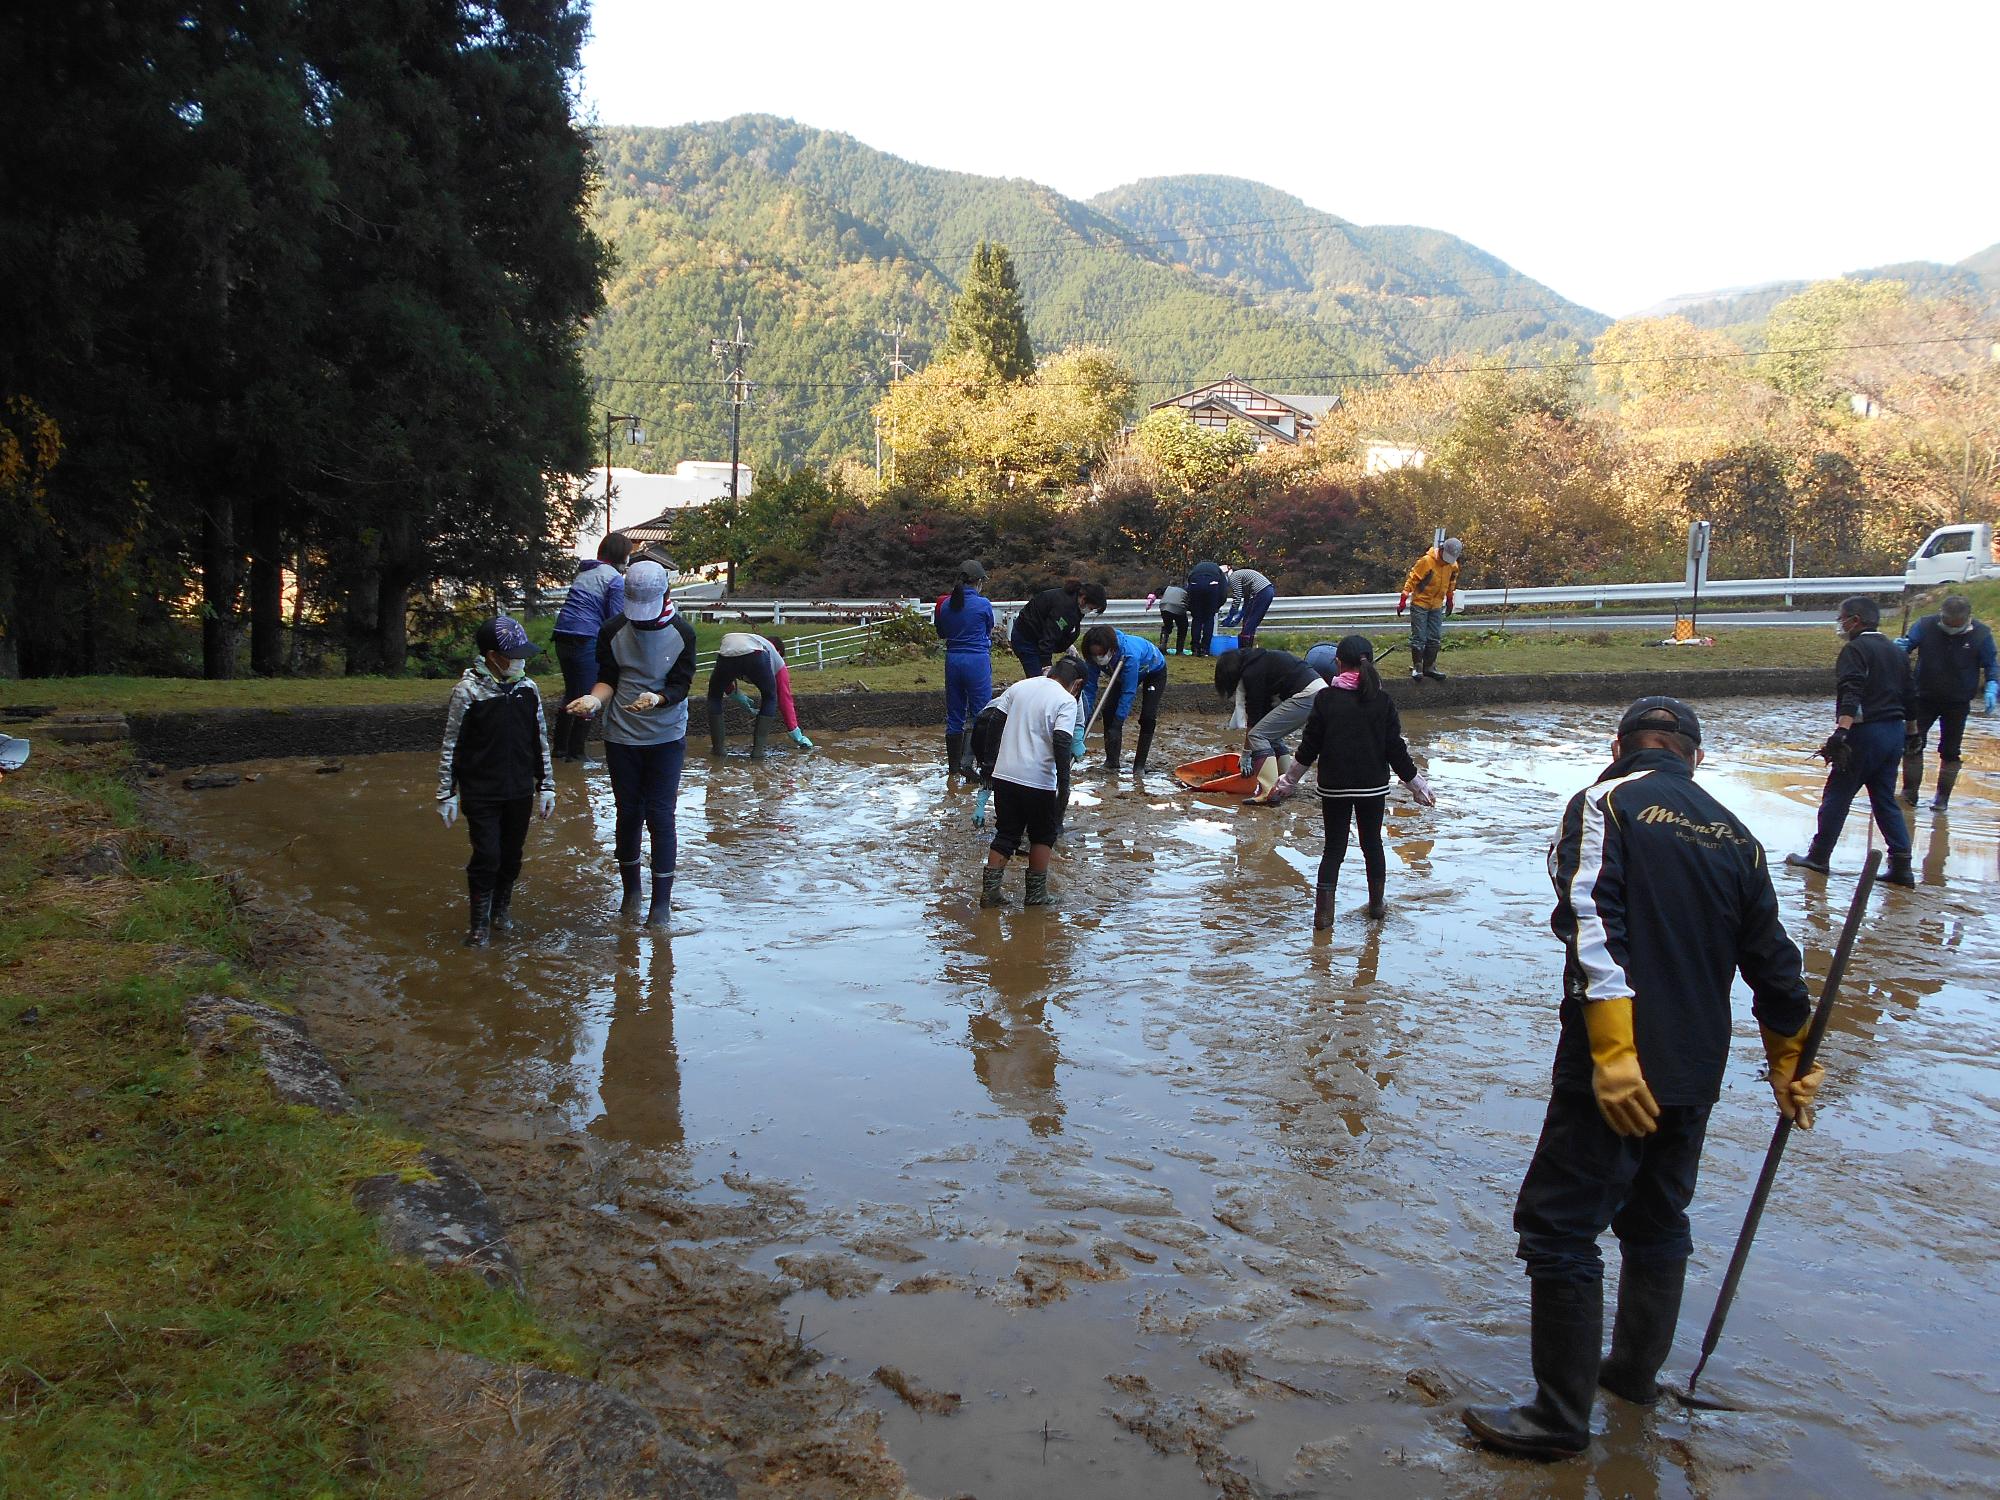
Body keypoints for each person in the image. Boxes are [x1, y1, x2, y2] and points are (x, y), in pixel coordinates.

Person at [1463, 696, 1820, 1460]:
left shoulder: (1605, 802)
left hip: (1617, 1064)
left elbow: (1592, 920)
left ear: (1619, 745)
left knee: (1559, 1229)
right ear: (1697, 756)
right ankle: (1629, 1376)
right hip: (1697, 1067)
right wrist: (1792, 1061)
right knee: (1658, 1222)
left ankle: (1558, 1419)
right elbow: (1776, 966)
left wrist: (1613, 1048)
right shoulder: (1738, 836)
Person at [564, 560, 698, 927]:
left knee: (660, 814)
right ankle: (630, 893)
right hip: (622, 734)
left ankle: (661, 904)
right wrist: (595, 699)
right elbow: (608, 677)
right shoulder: (612, 629)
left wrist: (659, 698)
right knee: (628, 812)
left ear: (666, 595)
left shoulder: (683, 633)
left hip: (666, 734)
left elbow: (681, 684)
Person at [1272, 636, 1434, 928]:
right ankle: (1376, 907)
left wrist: (1287, 782)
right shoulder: (1382, 700)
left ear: (1337, 664)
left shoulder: (1325, 700)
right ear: (1368, 662)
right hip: (1372, 786)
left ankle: (1323, 918)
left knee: (1333, 850)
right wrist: (1417, 786)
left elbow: (1309, 748)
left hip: (1334, 786)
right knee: (1372, 844)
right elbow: (1395, 750)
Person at [435, 616, 557, 947]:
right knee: (487, 855)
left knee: (511, 855)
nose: (520, 660)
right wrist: (446, 793)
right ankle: (478, 926)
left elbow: (540, 740)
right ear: (492, 656)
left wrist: (546, 786)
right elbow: (452, 744)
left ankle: (501, 911)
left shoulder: (527, 690)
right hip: (481, 791)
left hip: (519, 790)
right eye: (513, 654)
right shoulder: (467, 692)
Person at [1785, 595, 1916, 886]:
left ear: (1855, 620)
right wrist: (1913, 733)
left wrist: (1841, 731)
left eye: (1841, 618)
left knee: (1837, 795)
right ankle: (1902, 865)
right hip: (1894, 732)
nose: (1839, 624)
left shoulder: (1855, 650)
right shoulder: (1897, 652)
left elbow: (1851, 691)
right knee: (1884, 800)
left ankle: (1819, 857)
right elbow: (1911, 695)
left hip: (1865, 732)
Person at [977, 657, 1086, 909]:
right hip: (1038, 780)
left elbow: (995, 723)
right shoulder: (1066, 700)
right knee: (1042, 835)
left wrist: (989, 766)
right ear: (1077, 684)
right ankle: (1036, 894)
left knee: (1006, 833)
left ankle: (990, 893)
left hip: (1004, 775)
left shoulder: (1020, 686)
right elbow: (1061, 740)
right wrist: (1064, 782)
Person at [1898, 592, 1997, 812]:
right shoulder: (1925, 626)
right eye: (1947, 622)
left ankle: (1942, 798)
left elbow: (1991, 664)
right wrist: (1900, 648)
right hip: (1922, 696)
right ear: (1941, 615)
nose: (1951, 627)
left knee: (1951, 750)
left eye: (1956, 624)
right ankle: (1909, 793)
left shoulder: (1981, 634)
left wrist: (1992, 685)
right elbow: (1908, 644)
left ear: (1967, 618)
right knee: (1912, 743)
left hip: (1958, 701)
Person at [549, 533, 630, 762]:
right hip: (585, 638)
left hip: (562, 636)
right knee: (589, 695)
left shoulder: (585, 572)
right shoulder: (614, 579)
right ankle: (577, 753)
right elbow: (614, 620)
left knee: (571, 692)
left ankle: (560, 750)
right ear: (620, 555)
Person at [1213, 645, 1322, 798]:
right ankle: (1283, 781)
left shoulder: (1252, 673)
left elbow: (1254, 716)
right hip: (1318, 690)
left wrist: (1246, 753)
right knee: (1271, 734)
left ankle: (1268, 791)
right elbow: (1264, 713)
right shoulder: (1259, 661)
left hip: (1306, 695)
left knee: (1258, 736)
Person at [1077, 624, 1169, 775]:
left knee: (1147, 717)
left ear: (1111, 649)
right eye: (1094, 655)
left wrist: (1118, 721)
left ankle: (1139, 766)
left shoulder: (1129, 656)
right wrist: (1082, 721)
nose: (1098, 658)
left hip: (1153, 671)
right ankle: (1112, 762)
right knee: (1108, 712)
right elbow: (1089, 689)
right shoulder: (1093, 659)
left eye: (1101, 654)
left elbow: (1129, 691)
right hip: (1119, 674)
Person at [707, 631, 810, 762]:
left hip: (727, 648)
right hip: (754, 656)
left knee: (714, 697)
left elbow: (722, 681)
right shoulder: (777, 661)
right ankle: (758, 752)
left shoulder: (753, 642)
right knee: (769, 697)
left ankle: (718, 750)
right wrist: (796, 734)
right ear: (779, 652)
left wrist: (735, 694)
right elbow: (784, 699)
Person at [935, 560, 995, 777]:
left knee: (955, 715)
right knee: (982, 713)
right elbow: (989, 628)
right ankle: (977, 765)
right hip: (976, 660)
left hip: (953, 660)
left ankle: (954, 769)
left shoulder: (944, 605)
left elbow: (941, 632)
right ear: (978, 582)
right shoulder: (983, 604)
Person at [1009, 580, 1107, 680]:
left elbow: (1062, 627)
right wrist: (1046, 664)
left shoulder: (1074, 601)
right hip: (1026, 637)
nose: (1089, 611)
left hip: (1037, 635)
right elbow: (1049, 636)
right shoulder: (1065, 607)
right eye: (1091, 608)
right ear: (1084, 599)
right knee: (1039, 681)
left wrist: (1067, 645)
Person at [1397, 536, 1463, 681]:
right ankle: (1417, 667)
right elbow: (1412, 579)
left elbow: (1451, 583)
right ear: (1442, 549)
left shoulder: (1452, 566)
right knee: (1419, 637)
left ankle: (1430, 666)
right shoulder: (1426, 561)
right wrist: (1404, 598)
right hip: (1420, 603)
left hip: (1437, 605)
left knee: (1434, 637)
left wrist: (1450, 599)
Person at [1222, 564, 1277, 647]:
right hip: (1266, 591)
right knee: (1248, 619)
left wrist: (1230, 616)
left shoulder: (1234, 576)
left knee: (1251, 621)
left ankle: (1244, 650)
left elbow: (1237, 598)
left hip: (1262, 592)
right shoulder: (1243, 578)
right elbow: (1246, 603)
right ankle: (1247, 646)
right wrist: (1238, 618)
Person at [1185, 560, 1227, 658]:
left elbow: (1188, 587)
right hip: (1212, 587)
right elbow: (1223, 591)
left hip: (1195, 586)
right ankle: (1205, 648)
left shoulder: (1195, 569)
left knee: (1197, 618)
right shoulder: (1218, 570)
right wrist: (1217, 606)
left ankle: (1195, 647)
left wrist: (1191, 607)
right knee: (1209, 618)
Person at [1146, 581, 1191, 655]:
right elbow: (1189, 603)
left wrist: (1150, 601)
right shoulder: (1186, 590)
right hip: (1178, 607)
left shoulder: (1167, 588)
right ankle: (1179, 650)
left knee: (1167, 626)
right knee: (1183, 627)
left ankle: (1162, 646)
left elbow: (1157, 592)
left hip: (1164, 606)